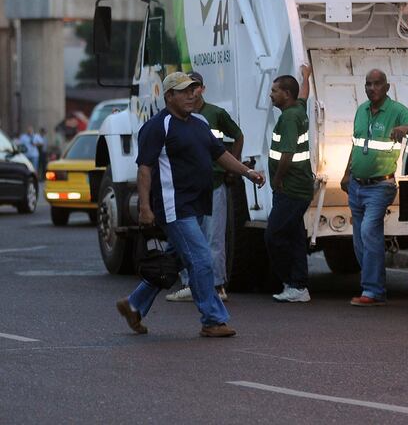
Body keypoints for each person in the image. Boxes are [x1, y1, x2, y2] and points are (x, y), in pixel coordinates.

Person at [115, 71, 264, 337]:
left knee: (174, 261)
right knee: (202, 259)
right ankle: (212, 320)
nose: (191, 95)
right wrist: (145, 208)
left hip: (198, 205)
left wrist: (247, 172)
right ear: (169, 96)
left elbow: (220, 154)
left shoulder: (199, 122)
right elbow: (145, 169)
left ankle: (134, 305)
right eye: (184, 91)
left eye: (192, 90)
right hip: (175, 207)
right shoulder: (157, 126)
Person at [166, 71, 244, 303]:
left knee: (213, 237)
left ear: (203, 88)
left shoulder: (214, 114)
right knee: (187, 239)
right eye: (186, 88)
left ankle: (217, 286)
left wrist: (233, 169)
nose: (192, 92)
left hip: (214, 184)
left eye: (195, 86)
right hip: (186, 188)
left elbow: (237, 136)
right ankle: (189, 284)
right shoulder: (176, 119)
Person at [341, 69, 408, 307]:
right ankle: (373, 285)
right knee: (359, 240)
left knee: (368, 232)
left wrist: (406, 128)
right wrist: (346, 174)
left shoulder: (396, 110)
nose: (372, 88)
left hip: (381, 186)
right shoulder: (361, 110)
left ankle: (372, 290)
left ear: (387, 87)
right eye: (368, 84)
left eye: (377, 84)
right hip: (356, 185)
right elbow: (356, 145)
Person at [266, 64, 316, 303]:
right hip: (300, 187)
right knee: (295, 238)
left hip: (291, 189)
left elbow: (287, 153)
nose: (271, 95)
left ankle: (291, 281)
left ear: (286, 94)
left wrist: (277, 180)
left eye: (274, 91)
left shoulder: (289, 117)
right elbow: (304, 94)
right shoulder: (298, 108)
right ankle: (298, 286)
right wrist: (306, 77)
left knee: (274, 235)